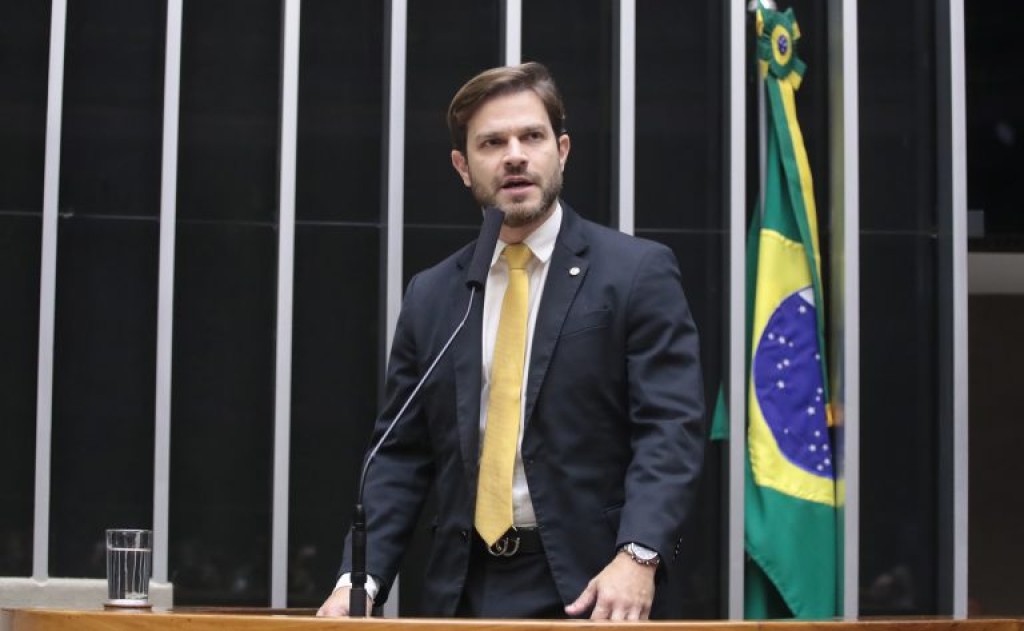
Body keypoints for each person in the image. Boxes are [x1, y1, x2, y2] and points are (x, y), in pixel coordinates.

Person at [318, 62, 705, 620]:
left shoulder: (636, 273)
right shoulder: (434, 295)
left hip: (598, 587)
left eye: (532, 137)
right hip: (463, 590)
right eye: (492, 143)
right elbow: (399, 456)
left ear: (562, 150)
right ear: (462, 166)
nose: (515, 156)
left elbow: (669, 429)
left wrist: (638, 554)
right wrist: (358, 583)